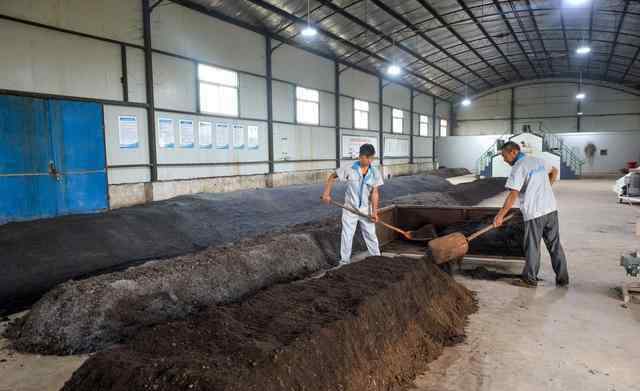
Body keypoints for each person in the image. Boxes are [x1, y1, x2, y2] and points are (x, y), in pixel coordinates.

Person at [493, 141, 569, 288]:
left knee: (532, 246)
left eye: (504, 155)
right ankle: (563, 278)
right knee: (554, 245)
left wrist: (500, 215)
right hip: (551, 209)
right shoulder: (537, 160)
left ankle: (530, 279)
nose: (504, 159)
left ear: (513, 152)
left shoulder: (519, 167)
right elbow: (554, 171)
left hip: (535, 213)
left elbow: (513, 194)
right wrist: (545, 188)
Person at [321, 144, 383, 265]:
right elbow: (332, 177)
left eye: (372, 158)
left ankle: (377, 258)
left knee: (370, 234)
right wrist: (326, 194)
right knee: (347, 235)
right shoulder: (349, 168)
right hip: (350, 208)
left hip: (366, 210)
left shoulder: (375, 172)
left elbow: (375, 193)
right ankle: (344, 262)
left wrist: (375, 212)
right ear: (361, 157)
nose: (370, 161)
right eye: (368, 158)